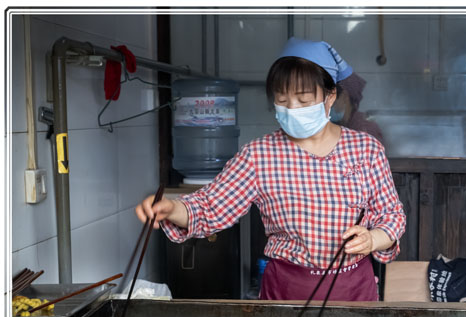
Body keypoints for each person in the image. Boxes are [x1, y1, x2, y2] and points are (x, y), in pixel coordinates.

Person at [136, 37, 406, 302]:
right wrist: (171, 208)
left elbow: (392, 216)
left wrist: (372, 239)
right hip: (286, 292)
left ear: (330, 96)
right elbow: (209, 207)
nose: (293, 109)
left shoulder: (365, 149)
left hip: (353, 290)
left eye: (303, 100)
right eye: (283, 100)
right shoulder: (259, 155)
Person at [331, 71, 384, 144]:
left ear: (344, 97)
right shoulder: (340, 125)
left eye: (331, 98)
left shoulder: (365, 128)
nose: (327, 105)